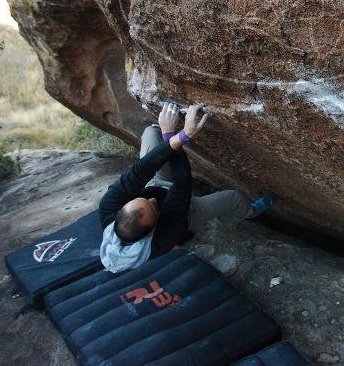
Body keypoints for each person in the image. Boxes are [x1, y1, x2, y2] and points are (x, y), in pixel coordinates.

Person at [98, 102, 273, 272]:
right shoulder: (163, 237)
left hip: (156, 185)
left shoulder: (108, 207)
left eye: (142, 200)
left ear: (121, 210)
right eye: (153, 206)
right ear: (152, 229)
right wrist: (175, 136)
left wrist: (171, 137)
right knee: (232, 198)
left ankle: (165, 136)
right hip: (187, 212)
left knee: (151, 132)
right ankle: (250, 212)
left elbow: (140, 170)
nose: (151, 200)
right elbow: (182, 183)